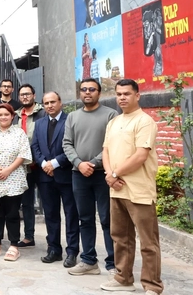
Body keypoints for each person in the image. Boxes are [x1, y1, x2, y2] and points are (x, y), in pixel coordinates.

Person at [100, 79, 163, 294]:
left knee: (148, 241)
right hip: (116, 188)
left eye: (126, 93)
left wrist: (115, 173)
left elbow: (140, 155)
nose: (122, 98)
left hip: (139, 190)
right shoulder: (114, 122)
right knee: (120, 237)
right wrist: (110, 175)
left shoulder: (145, 121)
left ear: (137, 95)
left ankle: (152, 285)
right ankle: (123, 278)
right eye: (118, 94)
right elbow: (106, 151)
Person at [63, 77, 118, 275]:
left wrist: (93, 163)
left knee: (107, 219)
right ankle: (88, 260)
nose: (87, 92)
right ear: (80, 93)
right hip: (79, 175)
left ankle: (113, 263)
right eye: (84, 89)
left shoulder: (111, 114)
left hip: (103, 174)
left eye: (92, 89)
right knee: (84, 219)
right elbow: (67, 144)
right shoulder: (72, 117)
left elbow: (112, 144)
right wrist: (79, 163)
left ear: (99, 93)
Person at [31, 92, 79, 268]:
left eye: (53, 102)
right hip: (45, 177)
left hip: (66, 175)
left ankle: (72, 251)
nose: (49, 105)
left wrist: (55, 163)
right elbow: (34, 146)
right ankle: (54, 249)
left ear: (60, 102)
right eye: (46, 103)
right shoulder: (39, 124)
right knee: (50, 215)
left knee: (71, 214)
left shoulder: (70, 121)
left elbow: (74, 146)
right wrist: (44, 163)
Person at [0, 103, 31, 262]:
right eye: (0, 115)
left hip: (13, 179)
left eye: (6, 114)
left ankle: (14, 245)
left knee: (12, 214)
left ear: (12, 116)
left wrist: (8, 170)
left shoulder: (19, 133)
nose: (3, 117)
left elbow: (22, 155)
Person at [13, 83, 46, 249]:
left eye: (28, 94)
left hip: (42, 164)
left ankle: (53, 238)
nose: (25, 97)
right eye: (22, 94)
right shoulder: (16, 116)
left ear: (34, 95)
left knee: (48, 202)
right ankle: (28, 236)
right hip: (23, 167)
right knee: (26, 202)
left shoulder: (43, 113)